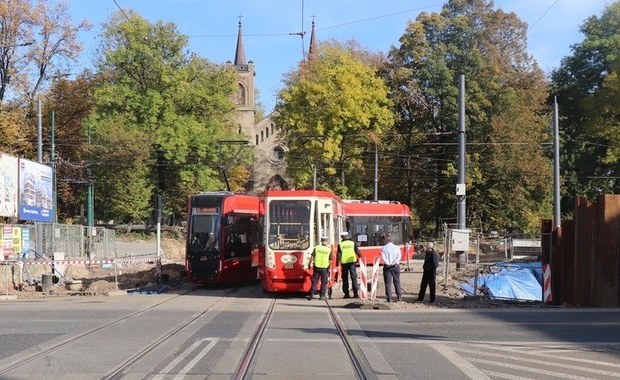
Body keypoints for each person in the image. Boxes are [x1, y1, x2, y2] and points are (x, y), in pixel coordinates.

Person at [337, 231, 362, 299]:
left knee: (345, 279)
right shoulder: (352, 243)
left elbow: (339, 255)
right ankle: (355, 294)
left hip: (344, 263)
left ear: (342, 237)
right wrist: (360, 256)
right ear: (347, 236)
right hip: (352, 263)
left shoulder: (340, 244)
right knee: (354, 278)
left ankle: (346, 294)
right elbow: (357, 251)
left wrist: (337, 264)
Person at [308, 236, 332, 300]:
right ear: (326, 242)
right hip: (325, 268)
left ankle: (312, 294)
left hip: (316, 267)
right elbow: (330, 260)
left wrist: (309, 264)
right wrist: (329, 267)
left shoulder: (317, 248)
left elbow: (312, 257)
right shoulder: (328, 249)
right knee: (324, 282)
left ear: (321, 241)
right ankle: (322, 296)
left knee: (315, 281)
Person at [381, 233, 402, 302]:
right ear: (392, 241)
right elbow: (399, 256)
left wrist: (388, 263)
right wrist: (395, 262)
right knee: (397, 281)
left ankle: (389, 298)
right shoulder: (397, 247)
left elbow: (383, 257)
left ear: (386, 241)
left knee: (388, 283)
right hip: (395, 266)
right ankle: (399, 296)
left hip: (387, 267)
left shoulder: (383, 248)